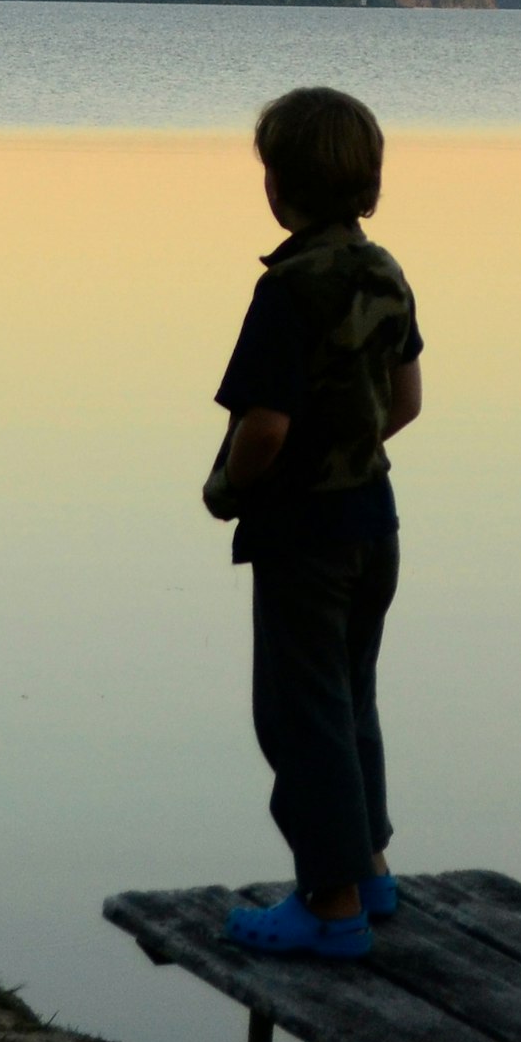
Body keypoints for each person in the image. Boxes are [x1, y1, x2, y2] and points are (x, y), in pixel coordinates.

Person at [205, 86, 424, 959]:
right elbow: (406, 401)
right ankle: (368, 867)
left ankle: (331, 903)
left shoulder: (289, 290)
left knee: (301, 716)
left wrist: (225, 488)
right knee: (351, 696)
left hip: (303, 536)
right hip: (376, 524)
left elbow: (264, 425)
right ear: (369, 188)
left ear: (277, 188)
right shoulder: (386, 273)